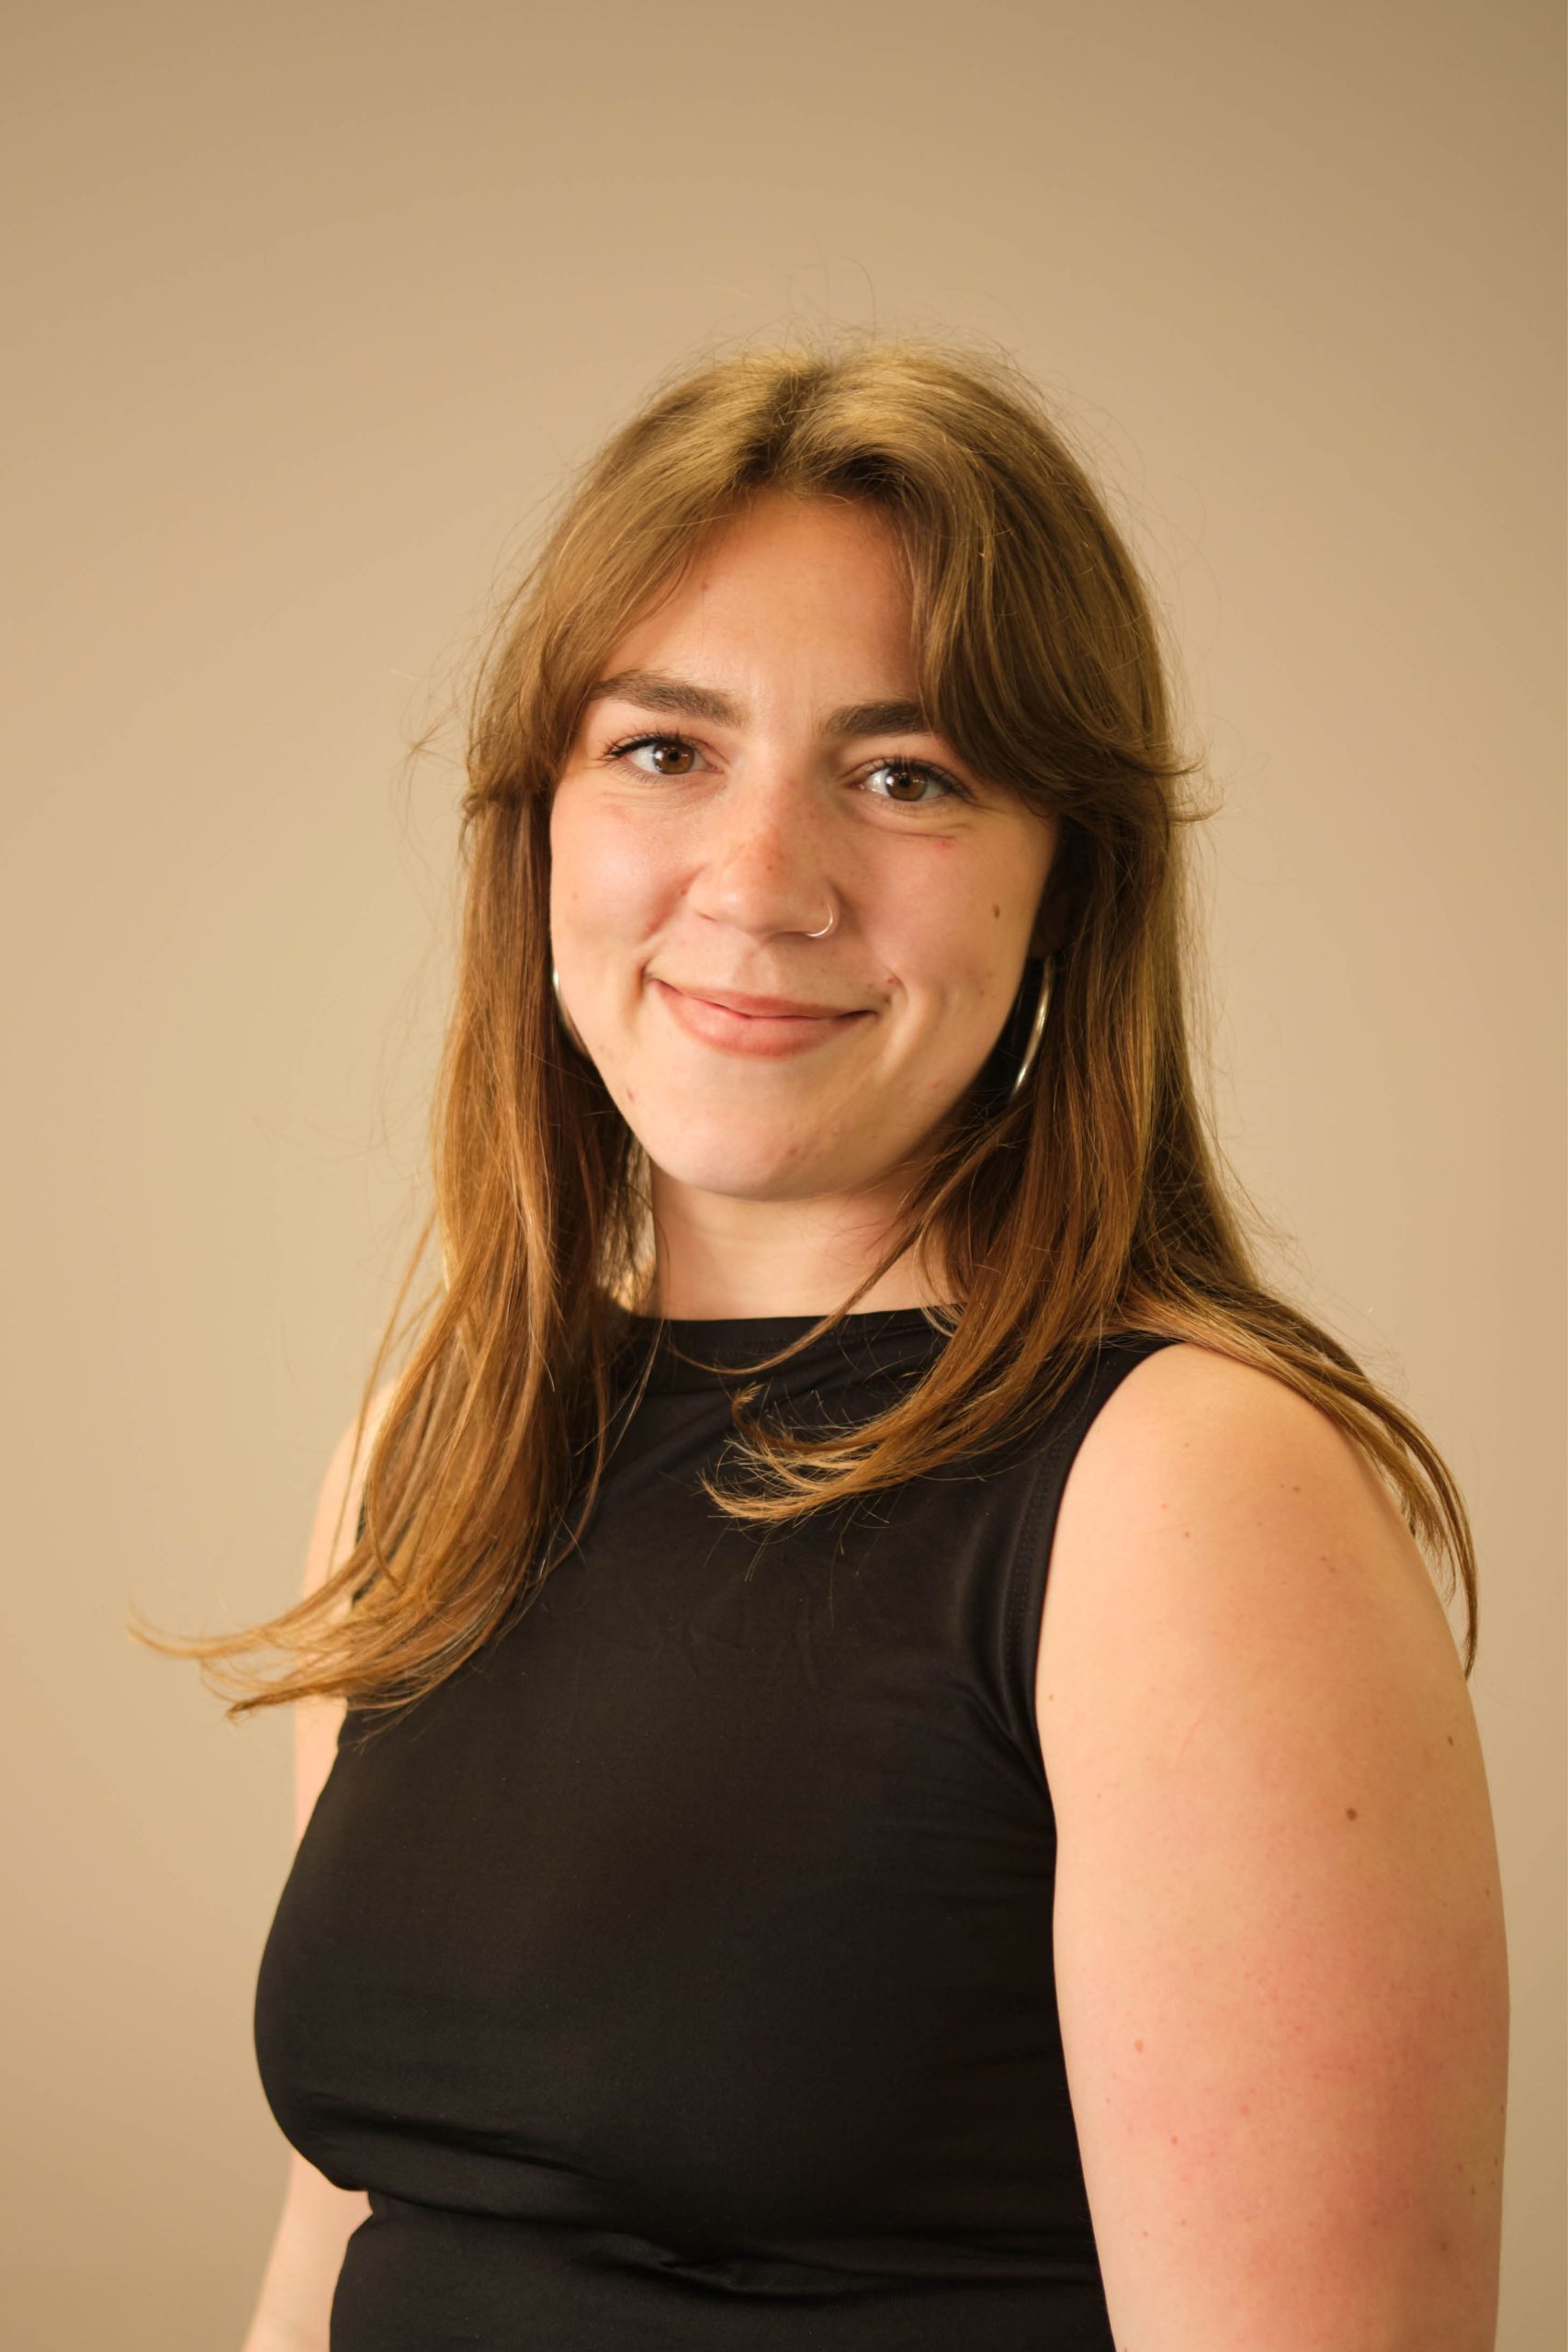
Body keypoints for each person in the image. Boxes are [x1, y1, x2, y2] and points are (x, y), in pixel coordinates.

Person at [146, 334, 1506, 2349]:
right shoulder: (447, 1433)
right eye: (664, 748)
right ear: (540, 826)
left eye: (904, 774)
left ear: (1067, 881)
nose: (760, 880)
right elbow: (350, 2224)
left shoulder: (1180, 1490)